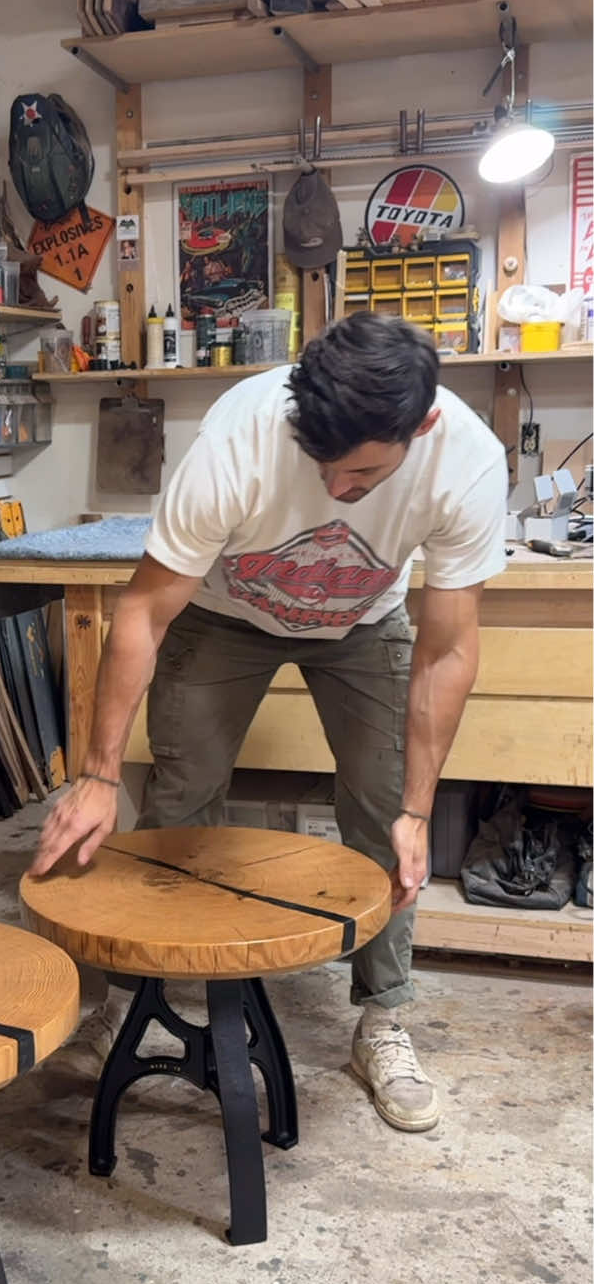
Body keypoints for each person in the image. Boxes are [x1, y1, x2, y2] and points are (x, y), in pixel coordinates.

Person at [31, 312, 508, 1134]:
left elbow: (445, 648)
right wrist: (98, 773)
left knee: (383, 813)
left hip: (365, 622)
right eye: (321, 465)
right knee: (181, 799)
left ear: (419, 426)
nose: (335, 488)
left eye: (358, 472)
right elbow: (143, 609)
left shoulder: (464, 461)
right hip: (222, 616)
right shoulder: (240, 437)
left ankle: (383, 1017)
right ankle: (138, 995)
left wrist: (418, 809)